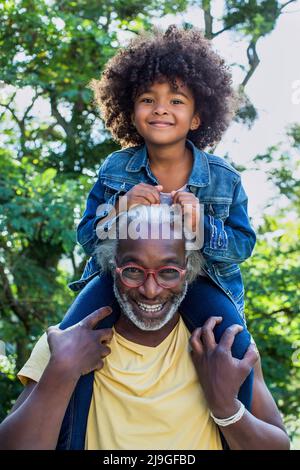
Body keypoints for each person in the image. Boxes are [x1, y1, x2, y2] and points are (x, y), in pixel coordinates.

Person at [61, 25, 257, 415]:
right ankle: (69, 434)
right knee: (69, 340)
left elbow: (242, 246)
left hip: (202, 280)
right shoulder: (116, 169)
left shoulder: (223, 178)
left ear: (198, 117)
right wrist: (119, 210)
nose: (161, 108)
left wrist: (202, 225)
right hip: (121, 277)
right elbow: (86, 237)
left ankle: (237, 428)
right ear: (131, 112)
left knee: (236, 344)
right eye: (148, 99)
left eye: (177, 100)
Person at [0, 206, 290, 450]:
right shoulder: (65, 344)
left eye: (168, 272)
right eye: (134, 271)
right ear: (114, 266)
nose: (151, 290)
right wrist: (61, 371)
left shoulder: (224, 350)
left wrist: (226, 406)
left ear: (187, 270)